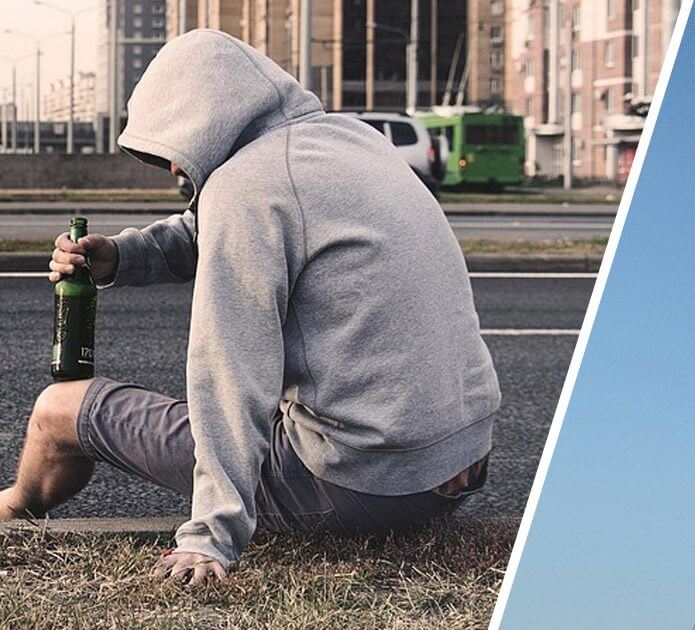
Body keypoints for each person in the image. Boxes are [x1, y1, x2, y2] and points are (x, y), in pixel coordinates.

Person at [0, 30, 501, 586]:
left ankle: (11, 511)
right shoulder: (351, 141)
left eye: (170, 146)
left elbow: (231, 375)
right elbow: (211, 227)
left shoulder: (248, 188)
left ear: (205, 121)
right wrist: (121, 256)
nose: (171, 169)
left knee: (59, 410)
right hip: (461, 464)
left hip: (370, 487)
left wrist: (210, 536)